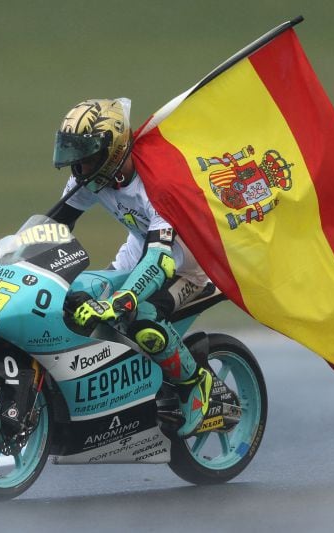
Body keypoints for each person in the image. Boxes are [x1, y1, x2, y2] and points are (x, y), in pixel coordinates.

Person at [51, 98, 213, 437]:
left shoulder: (159, 184)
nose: (78, 166)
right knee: (79, 299)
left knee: (141, 318)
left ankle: (194, 384)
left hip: (191, 264)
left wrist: (123, 299)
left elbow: (160, 260)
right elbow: (54, 225)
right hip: (140, 250)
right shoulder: (91, 176)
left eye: (87, 154)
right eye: (74, 155)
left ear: (112, 150)